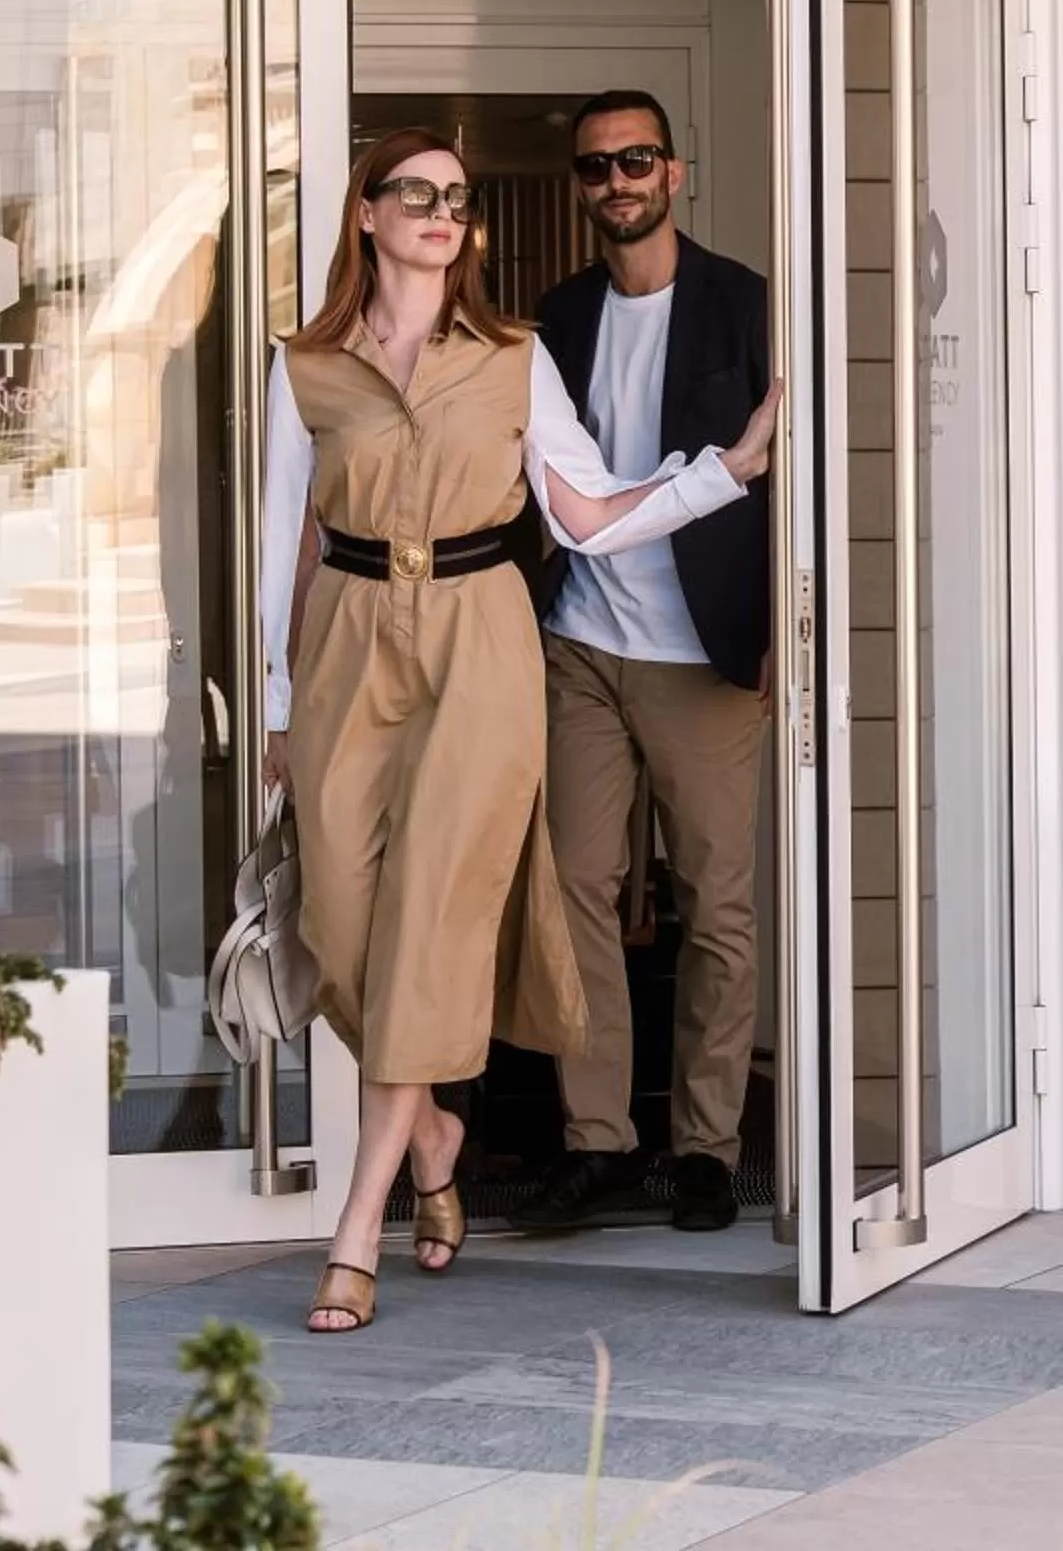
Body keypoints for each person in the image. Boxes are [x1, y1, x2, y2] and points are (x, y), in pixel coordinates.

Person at [259, 127, 779, 1334]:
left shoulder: (512, 356)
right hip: (347, 636)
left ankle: (358, 1224)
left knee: (434, 921)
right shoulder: (306, 366)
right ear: (368, 217)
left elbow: (587, 513)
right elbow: (284, 539)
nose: (442, 211)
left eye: (457, 196)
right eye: (417, 194)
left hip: (478, 640)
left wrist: (727, 471)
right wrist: (281, 706)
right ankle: (435, 1130)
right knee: (340, 932)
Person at [510, 90, 774, 1237]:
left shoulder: (749, 305)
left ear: (676, 172)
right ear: (581, 189)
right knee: (573, 896)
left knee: (715, 904)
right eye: (596, 166)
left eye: (637, 160)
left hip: (704, 655)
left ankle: (708, 1145)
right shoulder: (556, 317)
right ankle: (597, 1139)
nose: (617, 179)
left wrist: (775, 626)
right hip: (583, 643)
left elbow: (789, 479)